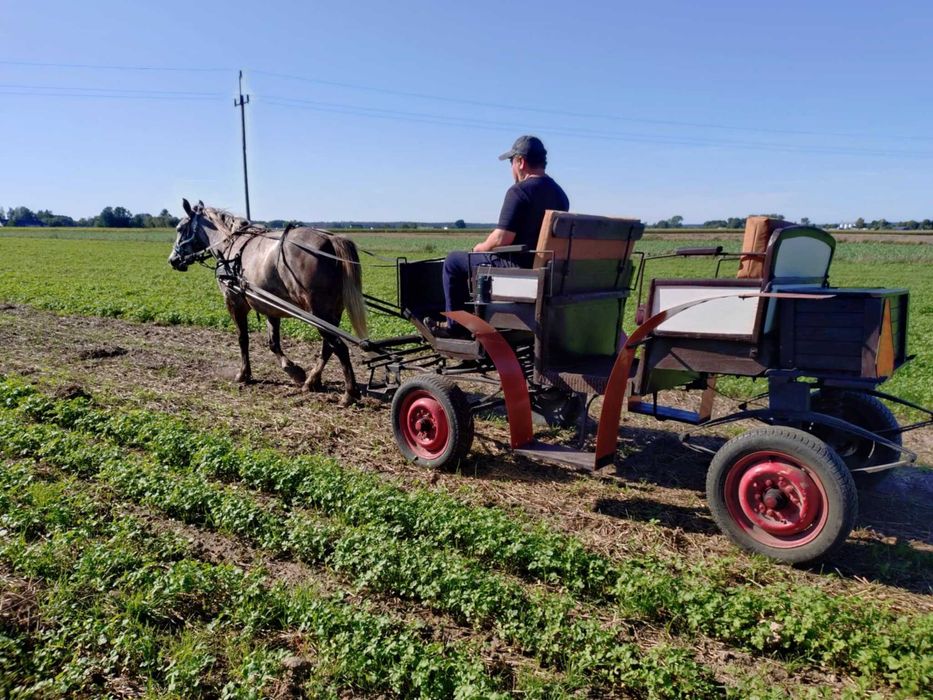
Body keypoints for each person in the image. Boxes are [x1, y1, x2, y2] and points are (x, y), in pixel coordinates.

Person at [439, 135, 569, 333]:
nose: (511, 169)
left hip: (519, 271)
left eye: (511, 162)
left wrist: (478, 248)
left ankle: (456, 327)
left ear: (520, 162)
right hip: (548, 273)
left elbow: (502, 239)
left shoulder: (519, 191)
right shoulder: (560, 195)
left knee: (453, 261)